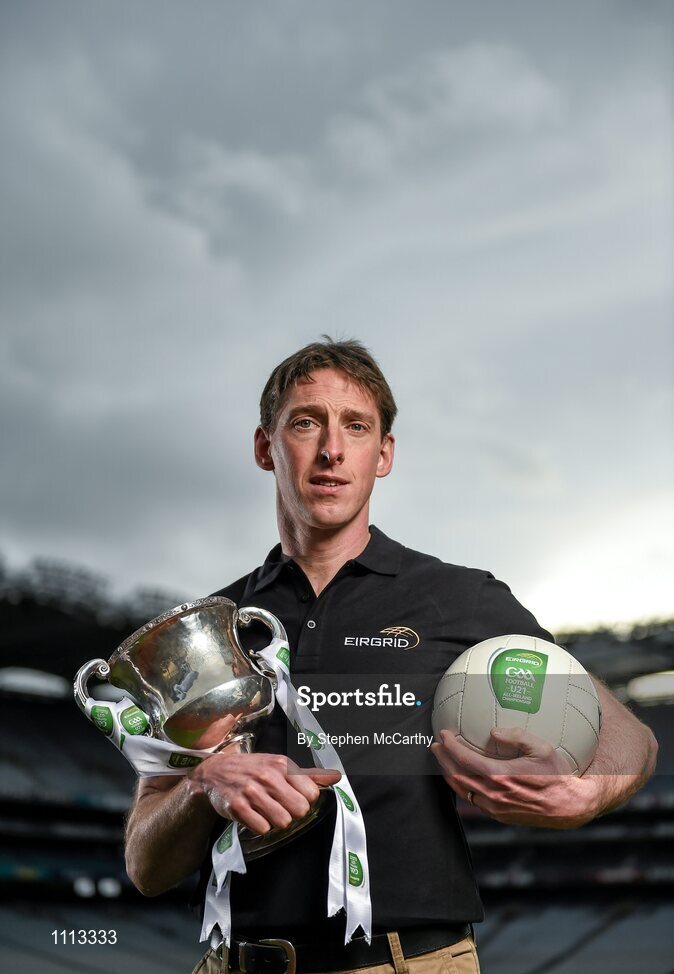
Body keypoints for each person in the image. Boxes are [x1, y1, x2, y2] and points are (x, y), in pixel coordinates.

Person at [125, 338, 657, 974]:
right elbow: (145, 867)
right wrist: (200, 789)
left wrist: (586, 792)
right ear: (266, 448)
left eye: (356, 426)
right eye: (305, 423)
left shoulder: (460, 599)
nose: (331, 450)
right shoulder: (208, 630)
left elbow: (629, 734)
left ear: (384, 455)